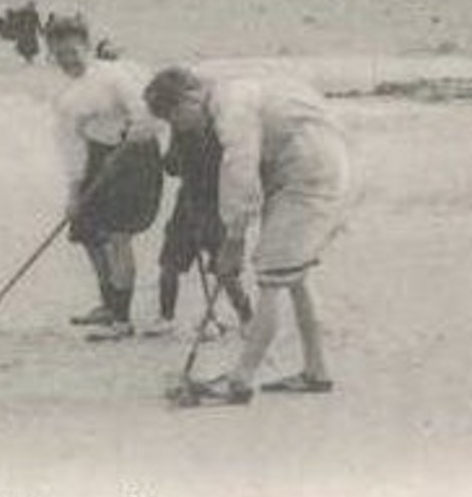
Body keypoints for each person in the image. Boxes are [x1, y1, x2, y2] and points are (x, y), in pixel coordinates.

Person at [144, 67, 351, 405]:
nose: (176, 126)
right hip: (311, 167)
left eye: (173, 116)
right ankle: (317, 370)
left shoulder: (230, 108)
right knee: (295, 276)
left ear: (189, 99)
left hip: (308, 175)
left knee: (270, 277)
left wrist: (234, 240)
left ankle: (239, 381)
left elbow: (239, 168)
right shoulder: (229, 96)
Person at [47, 15, 163, 341]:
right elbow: (71, 147)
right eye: (59, 55)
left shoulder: (115, 76)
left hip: (136, 156)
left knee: (117, 237)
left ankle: (122, 321)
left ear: (86, 46)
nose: (67, 60)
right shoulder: (66, 97)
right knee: (85, 231)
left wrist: (126, 146)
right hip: (99, 159)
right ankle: (108, 302)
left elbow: (146, 115)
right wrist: (74, 192)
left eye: (72, 51)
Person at [148, 123, 254, 337]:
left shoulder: (219, 128)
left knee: (223, 268)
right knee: (171, 263)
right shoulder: (182, 128)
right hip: (191, 205)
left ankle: (247, 318)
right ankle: (165, 316)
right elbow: (172, 166)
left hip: (214, 206)